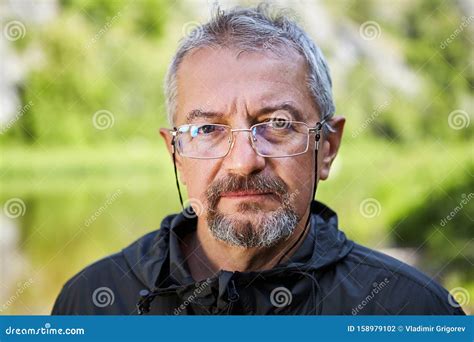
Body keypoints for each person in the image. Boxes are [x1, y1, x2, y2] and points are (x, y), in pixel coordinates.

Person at [52, 4, 465, 315]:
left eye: (278, 123)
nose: (244, 162)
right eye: (208, 129)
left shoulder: (411, 309)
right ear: (176, 154)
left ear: (328, 148)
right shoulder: (93, 300)